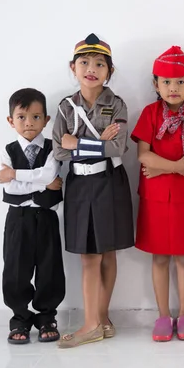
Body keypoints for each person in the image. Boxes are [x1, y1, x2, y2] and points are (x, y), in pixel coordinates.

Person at [53, 33, 135, 348]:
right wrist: (99, 141)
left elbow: (118, 148)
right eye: (84, 62)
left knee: (108, 249)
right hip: (79, 184)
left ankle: (99, 318)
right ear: (73, 68)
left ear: (109, 71)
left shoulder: (116, 103)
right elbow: (60, 151)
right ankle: (92, 322)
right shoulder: (65, 106)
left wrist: (82, 142)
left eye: (100, 64)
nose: (92, 68)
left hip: (109, 182)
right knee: (89, 255)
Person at [131, 46, 184, 342]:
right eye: (166, 82)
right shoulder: (150, 114)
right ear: (156, 85)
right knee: (160, 258)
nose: (173, 88)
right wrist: (177, 166)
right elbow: (143, 156)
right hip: (155, 197)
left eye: (180, 81)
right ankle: (163, 316)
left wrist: (164, 167)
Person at [0, 88, 65, 344]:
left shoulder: (51, 147)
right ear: (11, 120)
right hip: (17, 218)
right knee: (15, 268)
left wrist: (16, 175)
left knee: (50, 268)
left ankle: (47, 317)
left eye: (36, 117)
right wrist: (40, 183)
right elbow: (9, 187)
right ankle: (20, 318)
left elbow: (50, 175)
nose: (29, 123)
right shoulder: (8, 150)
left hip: (46, 217)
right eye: (22, 116)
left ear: (46, 120)